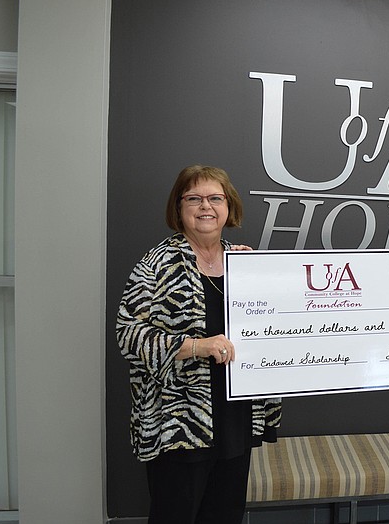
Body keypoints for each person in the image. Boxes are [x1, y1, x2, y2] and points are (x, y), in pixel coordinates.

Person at [116, 165, 282, 524]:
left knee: (225, 515)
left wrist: (259, 277)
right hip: (179, 422)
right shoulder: (156, 264)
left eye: (215, 198)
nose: (205, 206)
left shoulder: (243, 262)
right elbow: (128, 333)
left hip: (236, 415)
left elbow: (269, 326)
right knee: (175, 516)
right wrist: (194, 346)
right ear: (179, 208)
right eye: (194, 198)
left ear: (228, 206)